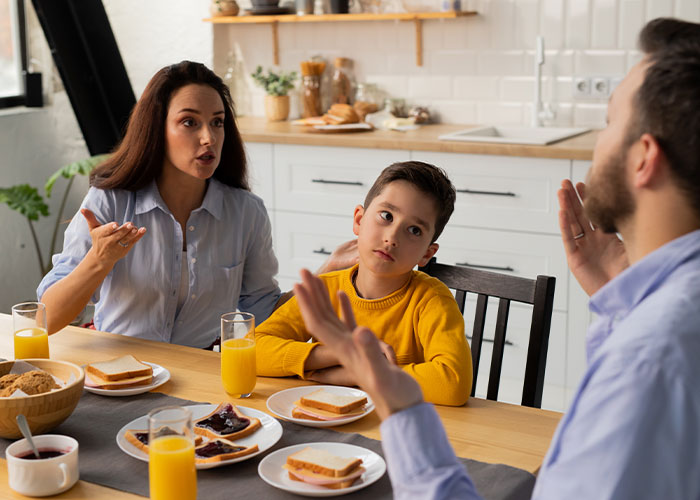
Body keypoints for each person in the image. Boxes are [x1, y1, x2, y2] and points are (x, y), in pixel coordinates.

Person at [291, 18, 700, 499]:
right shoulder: (664, 317)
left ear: (643, 158)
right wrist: (614, 300)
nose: (596, 142)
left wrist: (400, 408)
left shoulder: (650, 356)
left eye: (610, 123)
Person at [36, 61, 355, 348]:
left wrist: (327, 272)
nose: (209, 138)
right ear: (157, 129)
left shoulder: (246, 212)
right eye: (190, 123)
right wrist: (99, 260)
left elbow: (263, 311)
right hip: (118, 372)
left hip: (204, 372)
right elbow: (46, 321)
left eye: (217, 123)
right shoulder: (109, 200)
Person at [254, 161, 472, 406]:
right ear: (359, 219)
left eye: (414, 230)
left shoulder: (432, 300)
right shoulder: (325, 291)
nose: (392, 238)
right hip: (326, 421)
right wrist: (339, 353)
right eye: (386, 216)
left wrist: (358, 373)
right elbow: (252, 350)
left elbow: (452, 384)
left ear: (426, 254)